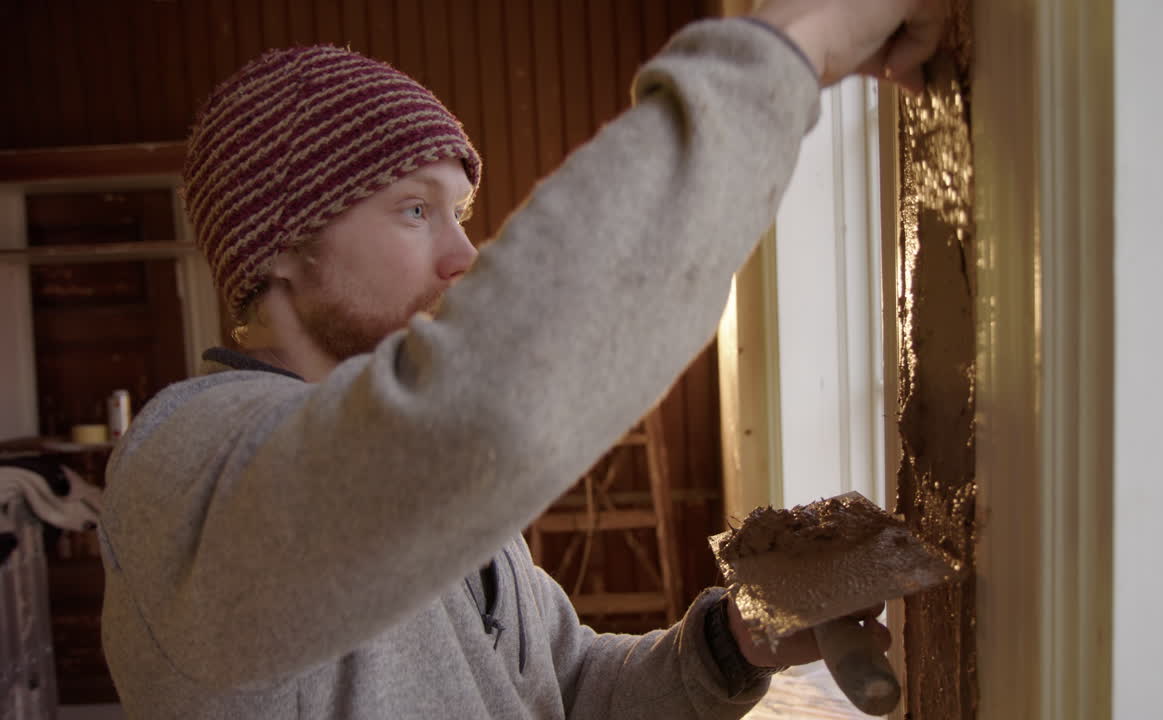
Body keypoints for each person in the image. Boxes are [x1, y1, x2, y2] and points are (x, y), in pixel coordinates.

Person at [98, 0, 943, 716]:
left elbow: (568, 687)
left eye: (461, 210)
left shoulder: (425, 484)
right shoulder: (185, 467)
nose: (463, 254)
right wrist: (785, 52)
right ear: (277, 246)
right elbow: (482, 410)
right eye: (414, 210)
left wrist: (735, 643)